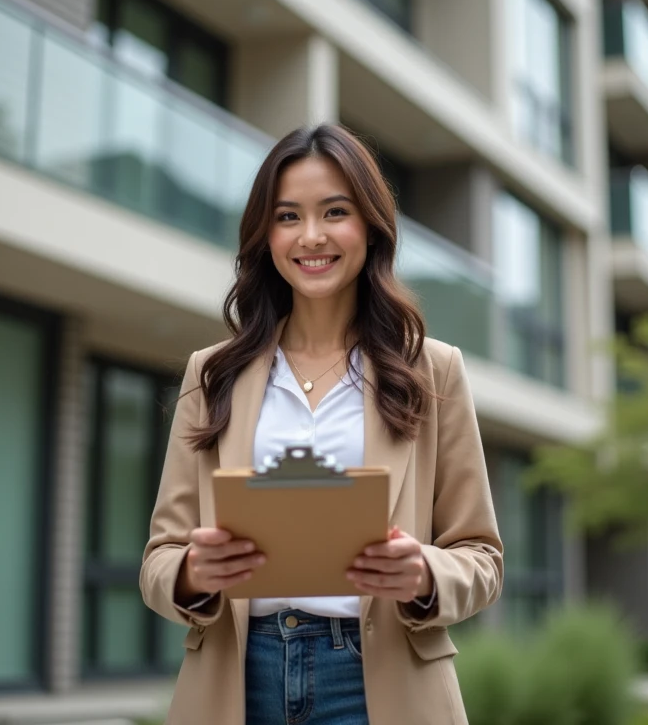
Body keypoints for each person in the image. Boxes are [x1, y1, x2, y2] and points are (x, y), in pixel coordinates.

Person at [139, 123, 504, 725]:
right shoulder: (212, 375)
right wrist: (192, 573)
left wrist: (423, 573)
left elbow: (482, 559)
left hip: (376, 679)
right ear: (265, 234)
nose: (311, 237)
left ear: (370, 225)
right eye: (287, 217)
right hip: (238, 678)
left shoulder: (432, 371)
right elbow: (159, 559)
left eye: (335, 212)